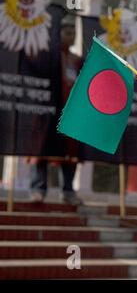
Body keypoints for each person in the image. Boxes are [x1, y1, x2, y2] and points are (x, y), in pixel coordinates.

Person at [29, 16, 83, 206]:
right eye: (68, 33)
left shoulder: (77, 60)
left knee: (71, 155)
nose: (72, 36)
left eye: (74, 33)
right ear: (57, 35)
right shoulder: (46, 56)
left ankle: (68, 192)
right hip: (48, 114)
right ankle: (38, 189)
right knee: (41, 151)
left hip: (71, 115)